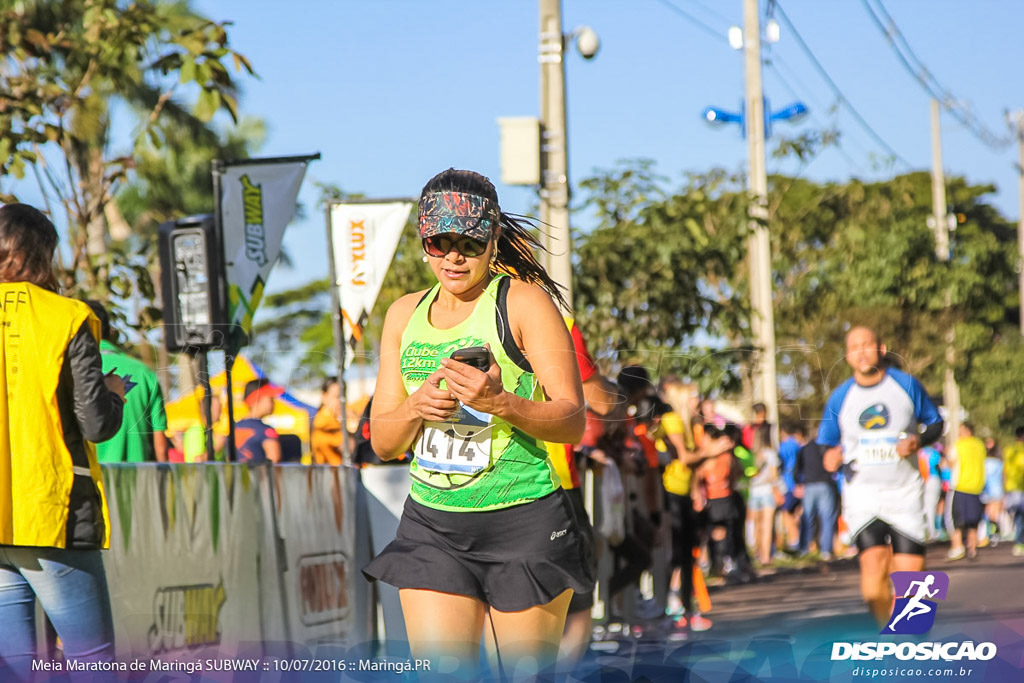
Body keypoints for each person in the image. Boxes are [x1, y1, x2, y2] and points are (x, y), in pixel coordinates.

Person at [363, 169, 591, 678]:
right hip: (434, 525)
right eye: (438, 241)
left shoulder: (524, 303)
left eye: (468, 241)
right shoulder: (404, 314)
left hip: (523, 522)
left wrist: (502, 403)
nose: (453, 256)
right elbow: (383, 441)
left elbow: (572, 419)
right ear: (423, 241)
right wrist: (416, 406)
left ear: (492, 241)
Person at [0, 203, 125, 679]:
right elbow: (96, 425)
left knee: (13, 669)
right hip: (53, 512)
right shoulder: (68, 316)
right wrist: (113, 396)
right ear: (43, 254)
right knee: (93, 665)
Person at [819, 326, 943, 626]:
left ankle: (910, 638)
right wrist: (830, 458)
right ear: (848, 356)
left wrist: (919, 441)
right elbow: (827, 445)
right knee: (872, 568)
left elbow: (936, 423)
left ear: (882, 349)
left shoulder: (906, 385)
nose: (861, 352)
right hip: (862, 495)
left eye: (867, 344)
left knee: (912, 578)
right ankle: (887, 636)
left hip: (905, 492)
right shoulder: (840, 397)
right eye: (854, 347)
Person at [84, 300, 168, 463]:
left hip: (90, 480)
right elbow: (161, 447)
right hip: (139, 480)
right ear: (110, 331)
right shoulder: (144, 373)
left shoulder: (70, 371)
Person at [946, 422, 986, 561]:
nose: (958, 433)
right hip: (976, 487)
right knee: (973, 520)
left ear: (967, 431)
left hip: (960, 486)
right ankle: (972, 549)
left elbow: (950, 463)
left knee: (955, 520)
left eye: (960, 430)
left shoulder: (958, 445)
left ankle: (957, 547)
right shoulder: (980, 445)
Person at [794, 438, 839, 559]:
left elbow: (797, 468)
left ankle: (804, 549)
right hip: (825, 485)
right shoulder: (828, 447)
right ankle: (826, 550)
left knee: (807, 517)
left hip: (809, 486)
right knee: (827, 518)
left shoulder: (804, 449)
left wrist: (797, 483)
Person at [235, 378, 282, 464]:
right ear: (255, 400)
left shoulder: (233, 428)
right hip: (259, 476)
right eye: (270, 399)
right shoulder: (266, 430)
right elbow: (274, 459)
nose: (273, 403)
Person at [311, 376, 344, 465]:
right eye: (336, 396)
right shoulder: (323, 421)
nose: (341, 401)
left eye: (343, 396)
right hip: (330, 474)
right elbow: (346, 445)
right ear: (324, 397)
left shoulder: (337, 418)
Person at [1002, 426, 1024, 556]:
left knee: (1018, 517)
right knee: (1020, 517)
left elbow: (1004, 471)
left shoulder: (1008, 450)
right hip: (1018, 488)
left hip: (1012, 488)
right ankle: (1020, 542)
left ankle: (1019, 542)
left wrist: (1004, 488)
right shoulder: (1014, 451)